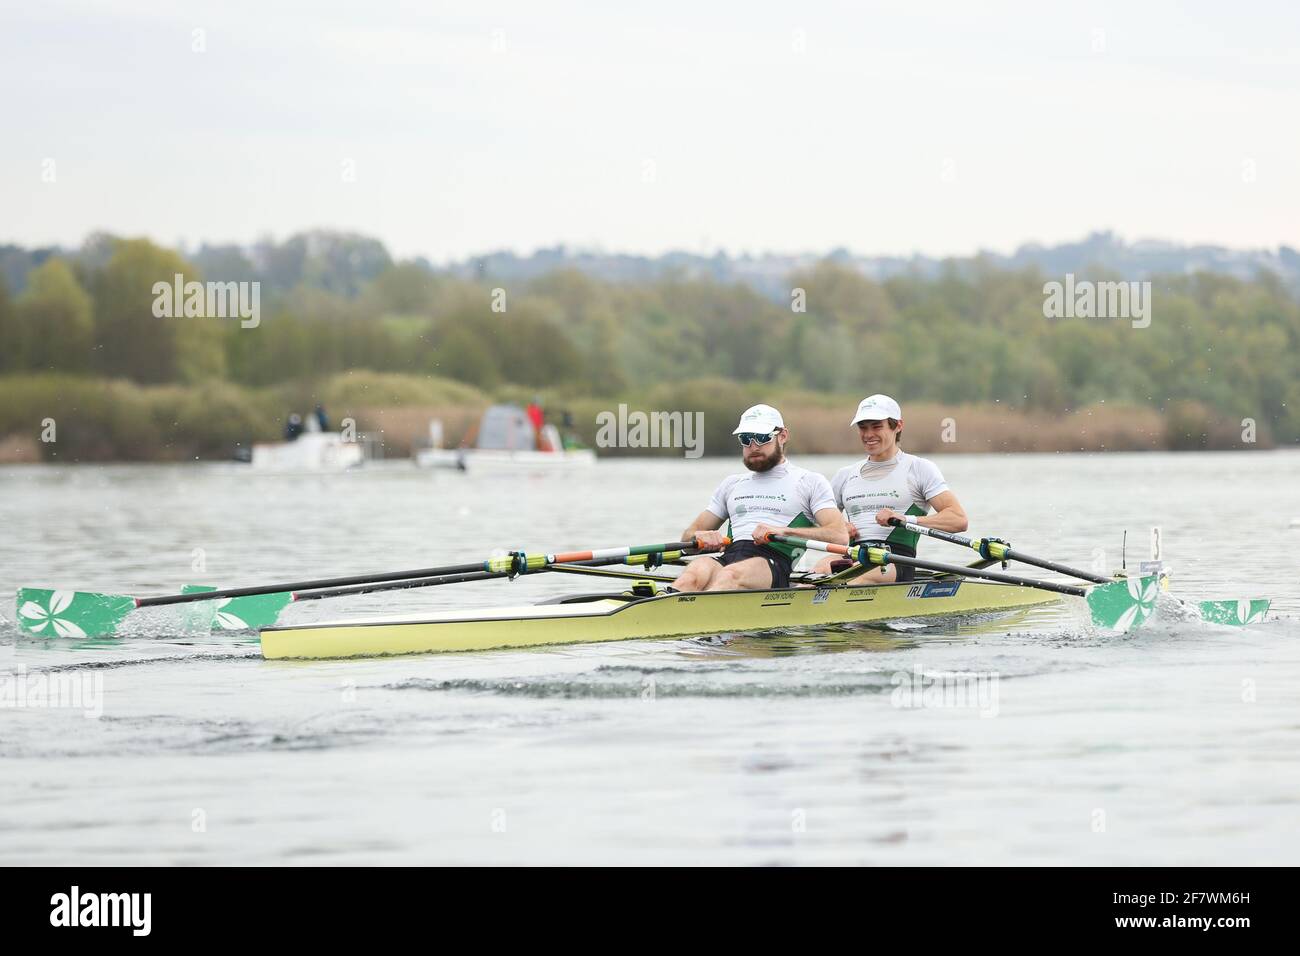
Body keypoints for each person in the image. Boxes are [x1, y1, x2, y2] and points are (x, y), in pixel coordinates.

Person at [674, 404, 847, 592]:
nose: (753, 446)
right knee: (692, 575)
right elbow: (688, 539)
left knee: (728, 576)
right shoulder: (731, 484)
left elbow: (839, 536)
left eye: (762, 438)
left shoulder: (809, 482)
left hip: (771, 563)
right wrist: (699, 536)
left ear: (783, 436)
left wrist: (785, 532)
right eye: (746, 439)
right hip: (728, 556)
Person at [815, 394, 968, 584]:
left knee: (854, 576)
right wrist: (837, 528)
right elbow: (819, 524)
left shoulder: (919, 469)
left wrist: (905, 519)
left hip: (895, 561)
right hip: (853, 555)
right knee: (815, 572)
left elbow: (958, 520)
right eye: (863, 427)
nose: (868, 434)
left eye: (877, 426)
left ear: (898, 426)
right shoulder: (845, 475)